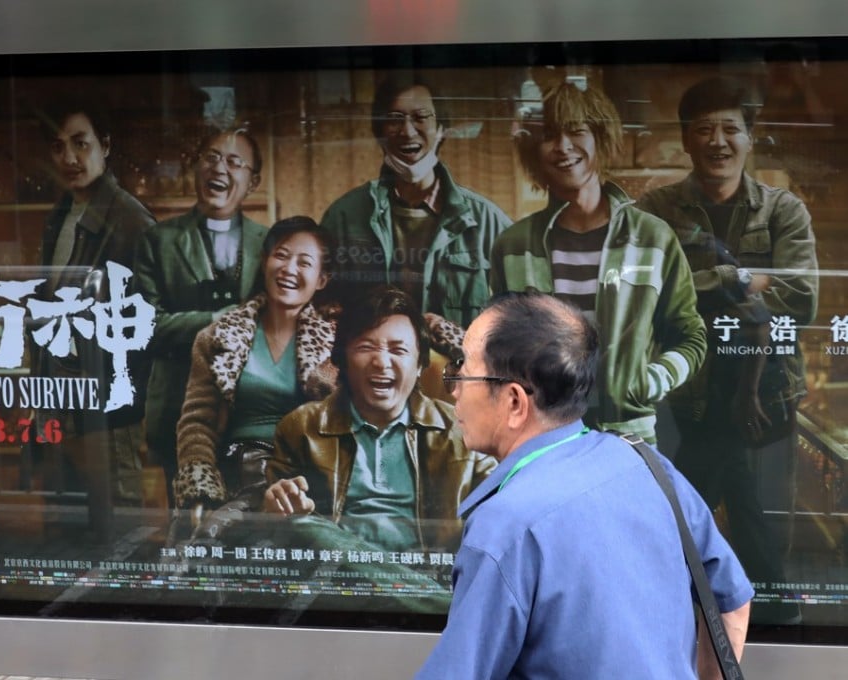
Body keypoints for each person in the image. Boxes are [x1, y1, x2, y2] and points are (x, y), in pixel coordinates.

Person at [416, 292, 753, 680]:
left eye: (464, 370)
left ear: (514, 402)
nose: (453, 386)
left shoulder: (505, 526)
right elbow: (732, 603)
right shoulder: (646, 464)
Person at [637, 76, 819, 623]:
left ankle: (770, 631)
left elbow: (802, 299)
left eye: (730, 128)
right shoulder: (655, 210)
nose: (718, 140)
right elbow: (645, 294)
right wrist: (739, 279)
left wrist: (698, 286)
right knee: (672, 523)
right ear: (686, 140)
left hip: (766, 397)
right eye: (704, 129)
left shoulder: (783, 210)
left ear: (750, 137)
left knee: (760, 529)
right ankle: (691, 628)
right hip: (681, 397)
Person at [489, 80, 706, 443]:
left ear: (600, 138)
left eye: (576, 131)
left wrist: (648, 382)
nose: (563, 147)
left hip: (629, 439)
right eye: (549, 136)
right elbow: (498, 347)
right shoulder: (512, 245)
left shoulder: (652, 238)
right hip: (542, 441)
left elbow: (691, 336)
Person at [265, 285, 495, 554]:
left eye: (398, 350)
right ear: (342, 359)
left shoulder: (464, 432)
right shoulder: (302, 428)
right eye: (366, 347)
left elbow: (497, 518)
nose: (381, 362)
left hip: (427, 581)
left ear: (421, 364)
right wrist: (275, 506)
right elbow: (272, 524)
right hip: (336, 581)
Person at [172, 216, 337, 536]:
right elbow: (197, 422)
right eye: (281, 255)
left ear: (322, 279)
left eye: (304, 262)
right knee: (204, 553)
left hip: (307, 480)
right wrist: (200, 490)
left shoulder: (337, 342)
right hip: (236, 476)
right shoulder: (218, 336)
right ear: (264, 262)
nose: (289, 269)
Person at [37, 97, 156, 537]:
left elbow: (148, 323)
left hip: (109, 402)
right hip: (66, 392)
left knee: (117, 528)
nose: (69, 158)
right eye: (57, 146)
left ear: (104, 146)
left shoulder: (130, 220)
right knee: (70, 521)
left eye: (80, 143)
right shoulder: (60, 215)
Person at [133, 127, 269, 505]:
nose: (219, 168)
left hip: (250, 411)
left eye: (233, 161)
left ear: (252, 181)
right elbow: (142, 328)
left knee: (248, 523)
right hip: (177, 406)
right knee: (187, 525)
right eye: (210, 157)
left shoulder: (270, 243)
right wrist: (215, 318)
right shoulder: (158, 241)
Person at [319, 73, 511, 333]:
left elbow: (519, 318)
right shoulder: (343, 217)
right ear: (379, 133)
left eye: (420, 118)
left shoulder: (487, 221)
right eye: (394, 120)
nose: (407, 131)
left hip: (458, 371)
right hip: (375, 370)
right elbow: (320, 310)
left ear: (442, 129)